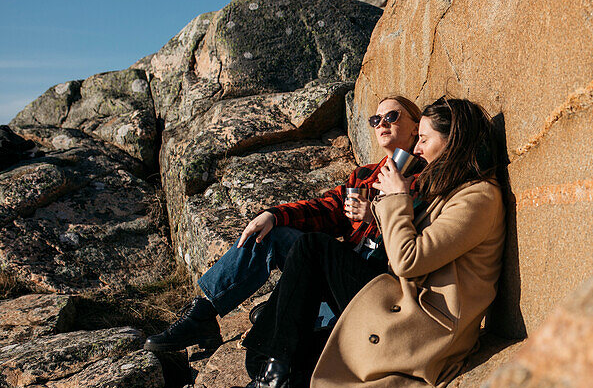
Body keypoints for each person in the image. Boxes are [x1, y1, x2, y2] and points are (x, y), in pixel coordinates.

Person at [222, 97, 506, 388]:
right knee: (262, 357)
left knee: (312, 248)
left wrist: (395, 199)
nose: (417, 146)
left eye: (425, 139)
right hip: (403, 300)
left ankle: (277, 383)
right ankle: (278, 377)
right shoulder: (450, 190)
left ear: (454, 141)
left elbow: (408, 260)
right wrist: (378, 212)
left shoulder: (478, 198)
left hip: (422, 326)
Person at [143, 96, 422, 353]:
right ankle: (203, 313)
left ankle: (294, 310)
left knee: (274, 307)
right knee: (270, 234)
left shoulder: (424, 178)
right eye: (376, 119)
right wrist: (274, 215)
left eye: (392, 116)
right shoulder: (363, 176)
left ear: (415, 128)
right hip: (340, 265)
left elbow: (420, 233)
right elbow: (326, 210)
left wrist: (376, 214)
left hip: (375, 282)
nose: (382, 123)